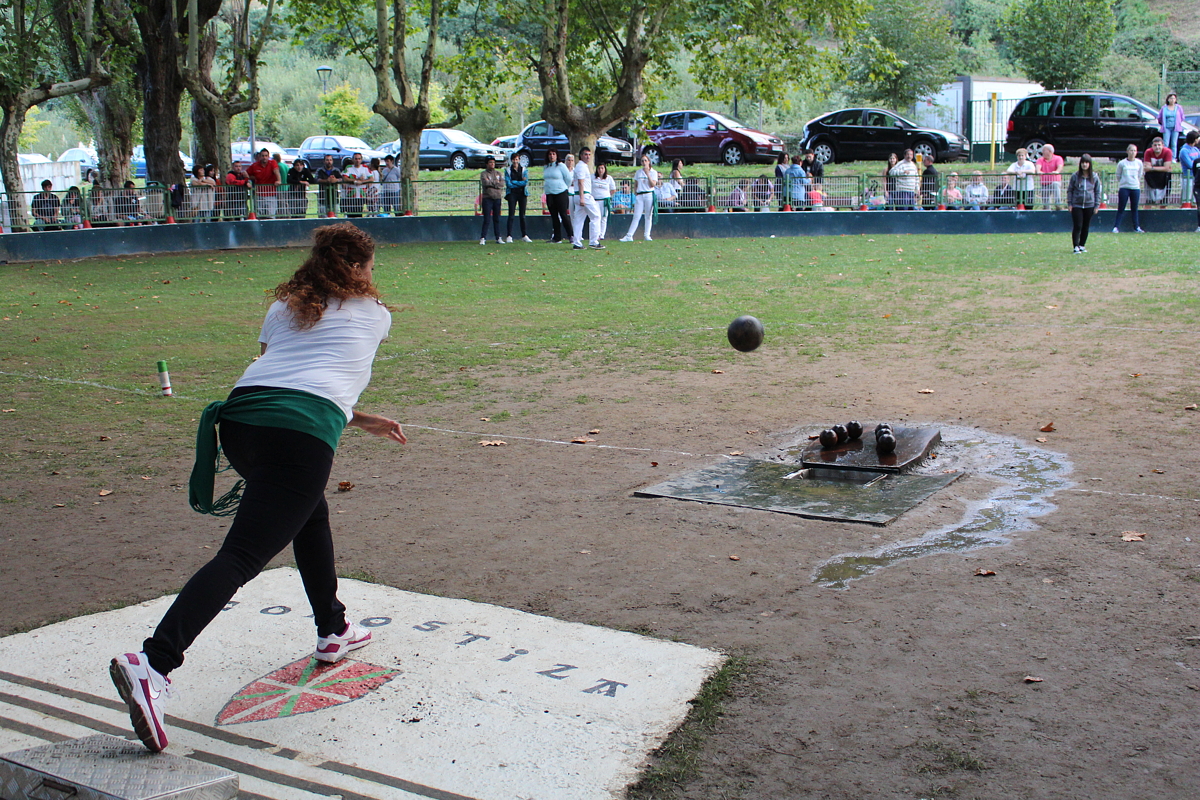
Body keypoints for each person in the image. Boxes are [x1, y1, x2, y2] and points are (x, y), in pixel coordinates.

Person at [108, 223, 405, 754]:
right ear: (361, 268)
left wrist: (364, 421)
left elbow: (285, 377)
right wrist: (354, 416)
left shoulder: (285, 308)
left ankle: (332, 628)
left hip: (241, 423)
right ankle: (153, 664)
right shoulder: (377, 315)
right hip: (299, 435)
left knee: (308, 512)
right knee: (243, 556)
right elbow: (317, 386)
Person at [570, 147, 604, 250]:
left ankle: (577, 242)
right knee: (596, 216)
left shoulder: (581, 166)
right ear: (581, 156)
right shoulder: (581, 167)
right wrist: (582, 198)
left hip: (579, 195)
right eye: (585, 154)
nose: (588, 156)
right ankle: (593, 241)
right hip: (584, 195)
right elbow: (581, 182)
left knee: (579, 219)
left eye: (589, 154)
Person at [1067, 153, 1101, 254]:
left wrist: (1096, 205)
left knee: (1086, 226)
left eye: (1086, 163)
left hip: (1089, 205)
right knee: (1078, 225)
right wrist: (1070, 203)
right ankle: (1075, 246)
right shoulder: (1075, 176)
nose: (1084, 165)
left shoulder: (1094, 177)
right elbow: (1070, 190)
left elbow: (1097, 191)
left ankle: (1082, 245)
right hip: (1077, 204)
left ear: (1089, 164)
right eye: (1083, 163)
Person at [620, 152, 658, 241]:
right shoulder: (638, 172)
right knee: (636, 215)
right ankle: (629, 235)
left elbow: (652, 184)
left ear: (649, 162)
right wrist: (636, 192)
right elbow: (636, 183)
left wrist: (648, 174)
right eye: (642, 161)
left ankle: (647, 235)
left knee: (648, 215)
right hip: (640, 195)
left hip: (649, 194)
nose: (644, 162)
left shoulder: (653, 172)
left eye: (645, 160)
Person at [542, 148, 573, 244]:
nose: (552, 156)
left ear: (556, 155)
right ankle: (557, 237)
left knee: (563, 215)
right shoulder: (546, 167)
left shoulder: (561, 166)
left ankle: (571, 235)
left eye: (553, 154)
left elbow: (568, 178)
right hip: (550, 194)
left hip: (561, 193)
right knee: (554, 216)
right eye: (550, 154)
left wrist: (563, 188)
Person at [1112, 144, 1145, 233]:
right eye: (1131, 150)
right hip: (1124, 187)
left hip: (1135, 188)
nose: (1133, 152)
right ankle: (1116, 227)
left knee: (1134, 208)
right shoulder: (1122, 163)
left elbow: (1140, 174)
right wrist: (1123, 182)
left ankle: (1136, 227)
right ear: (1127, 152)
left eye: (1134, 150)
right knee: (1121, 207)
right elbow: (1118, 175)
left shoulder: (1139, 163)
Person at [245, 148, 281, 219]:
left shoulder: (272, 163)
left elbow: (276, 171)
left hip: (271, 194)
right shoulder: (254, 165)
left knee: (271, 214)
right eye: (262, 156)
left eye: (266, 156)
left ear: (268, 156)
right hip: (259, 194)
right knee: (259, 214)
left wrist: (279, 180)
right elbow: (246, 173)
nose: (264, 157)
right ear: (259, 156)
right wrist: (250, 179)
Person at [503, 159, 531, 243]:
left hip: (522, 194)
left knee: (522, 215)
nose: (515, 161)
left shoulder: (524, 170)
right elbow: (508, 184)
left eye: (517, 159)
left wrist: (514, 182)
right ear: (511, 160)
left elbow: (525, 182)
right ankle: (509, 235)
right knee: (511, 214)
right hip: (512, 194)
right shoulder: (508, 170)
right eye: (514, 159)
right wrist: (519, 182)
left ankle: (524, 235)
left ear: (519, 160)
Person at [479, 156, 504, 245]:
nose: (492, 164)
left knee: (496, 218)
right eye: (490, 162)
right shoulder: (484, 174)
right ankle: (483, 237)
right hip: (487, 198)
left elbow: (501, 184)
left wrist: (492, 183)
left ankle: (498, 237)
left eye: (493, 162)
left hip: (497, 198)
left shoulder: (498, 173)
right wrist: (495, 183)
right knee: (487, 219)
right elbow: (485, 183)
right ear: (487, 164)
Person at [1143, 136, 1174, 206]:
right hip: (1151, 177)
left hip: (1164, 177)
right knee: (1149, 201)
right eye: (1155, 145)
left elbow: (1166, 168)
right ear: (1152, 146)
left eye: (1159, 145)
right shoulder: (1148, 152)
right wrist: (1161, 168)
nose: (1157, 147)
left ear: (1163, 145)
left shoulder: (1168, 152)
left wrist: (1152, 168)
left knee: (1164, 201)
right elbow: (1146, 167)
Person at [591, 162, 616, 240]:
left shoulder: (609, 178)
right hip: (595, 200)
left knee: (603, 217)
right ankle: (596, 234)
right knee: (596, 217)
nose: (600, 170)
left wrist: (608, 195)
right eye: (599, 168)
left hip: (604, 200)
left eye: (602, 168)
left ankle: (602, 234)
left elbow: (613, 189)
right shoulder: (592, 177)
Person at [1035, 143, 1064, 210]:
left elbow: (1060, 166)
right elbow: (1038, 167)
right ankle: (1046, 208)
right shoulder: (1040, 160)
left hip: (1054, 181)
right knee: (1045, 200)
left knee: (1055, 184)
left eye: (1044, 150)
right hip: (1044, 182)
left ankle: (1058, 204)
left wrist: (1057, 171)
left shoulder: (1058, 158)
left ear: (1050, 151)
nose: (1042, 152)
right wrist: (1038, 171)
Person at [342, 153, 371, 218]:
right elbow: (345, 178)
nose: (357, 160)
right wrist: (355, 181)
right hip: (351, 194)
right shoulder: (349, 168)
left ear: (361, 159)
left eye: (359, 159)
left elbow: (371, 178)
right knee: (351, 212)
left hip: (361, 194)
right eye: (356, 159)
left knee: (359, 213)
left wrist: (362, 182)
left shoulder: (365, 168)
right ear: (353, 159)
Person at [1179, 131, 1199, 207]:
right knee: (1187, 196)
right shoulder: (1184, 151)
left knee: (1195, 197)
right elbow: (1190, 165)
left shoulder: (1196, 150)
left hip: (1196, 177)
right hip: (1188, 177)